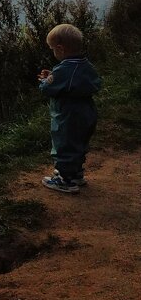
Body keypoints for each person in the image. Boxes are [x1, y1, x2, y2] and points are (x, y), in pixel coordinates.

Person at [37, 24, 102, 194]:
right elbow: (93, 83)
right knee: (79, 142)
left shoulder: (64, 69)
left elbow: (48, 89)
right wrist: (54, 76)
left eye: (53, 49)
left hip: (68, 114)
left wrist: (44, 81)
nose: (53, 52)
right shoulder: (86, 65)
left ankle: (65, 180)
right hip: (87, 112)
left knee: (64, 144)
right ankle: (76, 174)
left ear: (60, 48)